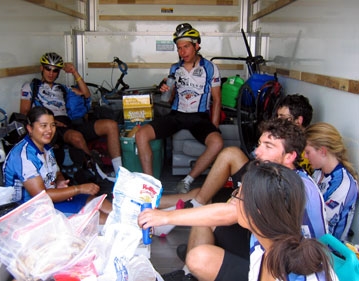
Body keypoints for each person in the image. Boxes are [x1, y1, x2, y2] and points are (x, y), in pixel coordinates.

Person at [139, 118, 327, 281]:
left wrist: (165, 218)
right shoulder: (277, 174)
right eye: (259, 144)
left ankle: (200, 268)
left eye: (268, 147)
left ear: (290, 156)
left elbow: (232, 212)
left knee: (199, 257)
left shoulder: (289, 186)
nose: (257, 152)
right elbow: (234, 206)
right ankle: (189, 275)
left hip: (287, 268)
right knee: (204, 218)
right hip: (267, 246)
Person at [158, 93, 314, 209]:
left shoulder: (303, 149)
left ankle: (191, 205)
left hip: (263, 189)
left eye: (282, 117)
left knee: (230, 155)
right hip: (257, 176)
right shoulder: (282, 139)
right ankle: (148, 203)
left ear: (298, 121)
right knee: (201, 193)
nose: (278, 120)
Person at [135, 23, 223, 193]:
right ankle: (150, 184)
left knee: (217, 142)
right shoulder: (175, 68)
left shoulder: (210, 68)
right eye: (179, 48)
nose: (182, 52)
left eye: (186, 47)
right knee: (141, 134)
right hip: (177, 114)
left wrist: (214, 128)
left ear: (196, 46)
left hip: (199, 117)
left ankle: (187, 180)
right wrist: (166, 91)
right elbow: (169, 100)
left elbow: (217, 100)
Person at [3, 107, 112, 224]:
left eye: (52, 125)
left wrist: (60, 182)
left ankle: (126, 221)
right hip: (30, 211)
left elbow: (57, 172)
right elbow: (41, 196)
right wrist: (77, 189)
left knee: (96, 200)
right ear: (30, 128)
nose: (49, 130)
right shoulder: (24, 156)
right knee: (97, 216)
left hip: (50, 200)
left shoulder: (46, 147)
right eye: (43, 125)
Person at [20, 52, 122, 174]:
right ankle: (95, 171)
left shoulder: (62, 88)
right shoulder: (31, 86)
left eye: (55, 70)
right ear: (42, 68)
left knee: (111, 125)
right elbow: (25, 112)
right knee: (76, 138)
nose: (51, 73)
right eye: (48, 69)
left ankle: (119, 172)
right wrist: (51, 123)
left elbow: (86, 94)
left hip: (69, 123)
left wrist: (74, 72)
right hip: (50, 125)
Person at [238, 161, 336, 281]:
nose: (234, 203)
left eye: (237, 197)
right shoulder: (258, 244)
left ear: (258, 212)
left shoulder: (306, 277)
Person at [305, 122, 358, 240]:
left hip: (328, 251)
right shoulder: (318, 172)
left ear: (323, 151)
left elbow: (321, 226)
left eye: (308, 152)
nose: (305, 156)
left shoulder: (343, 185)